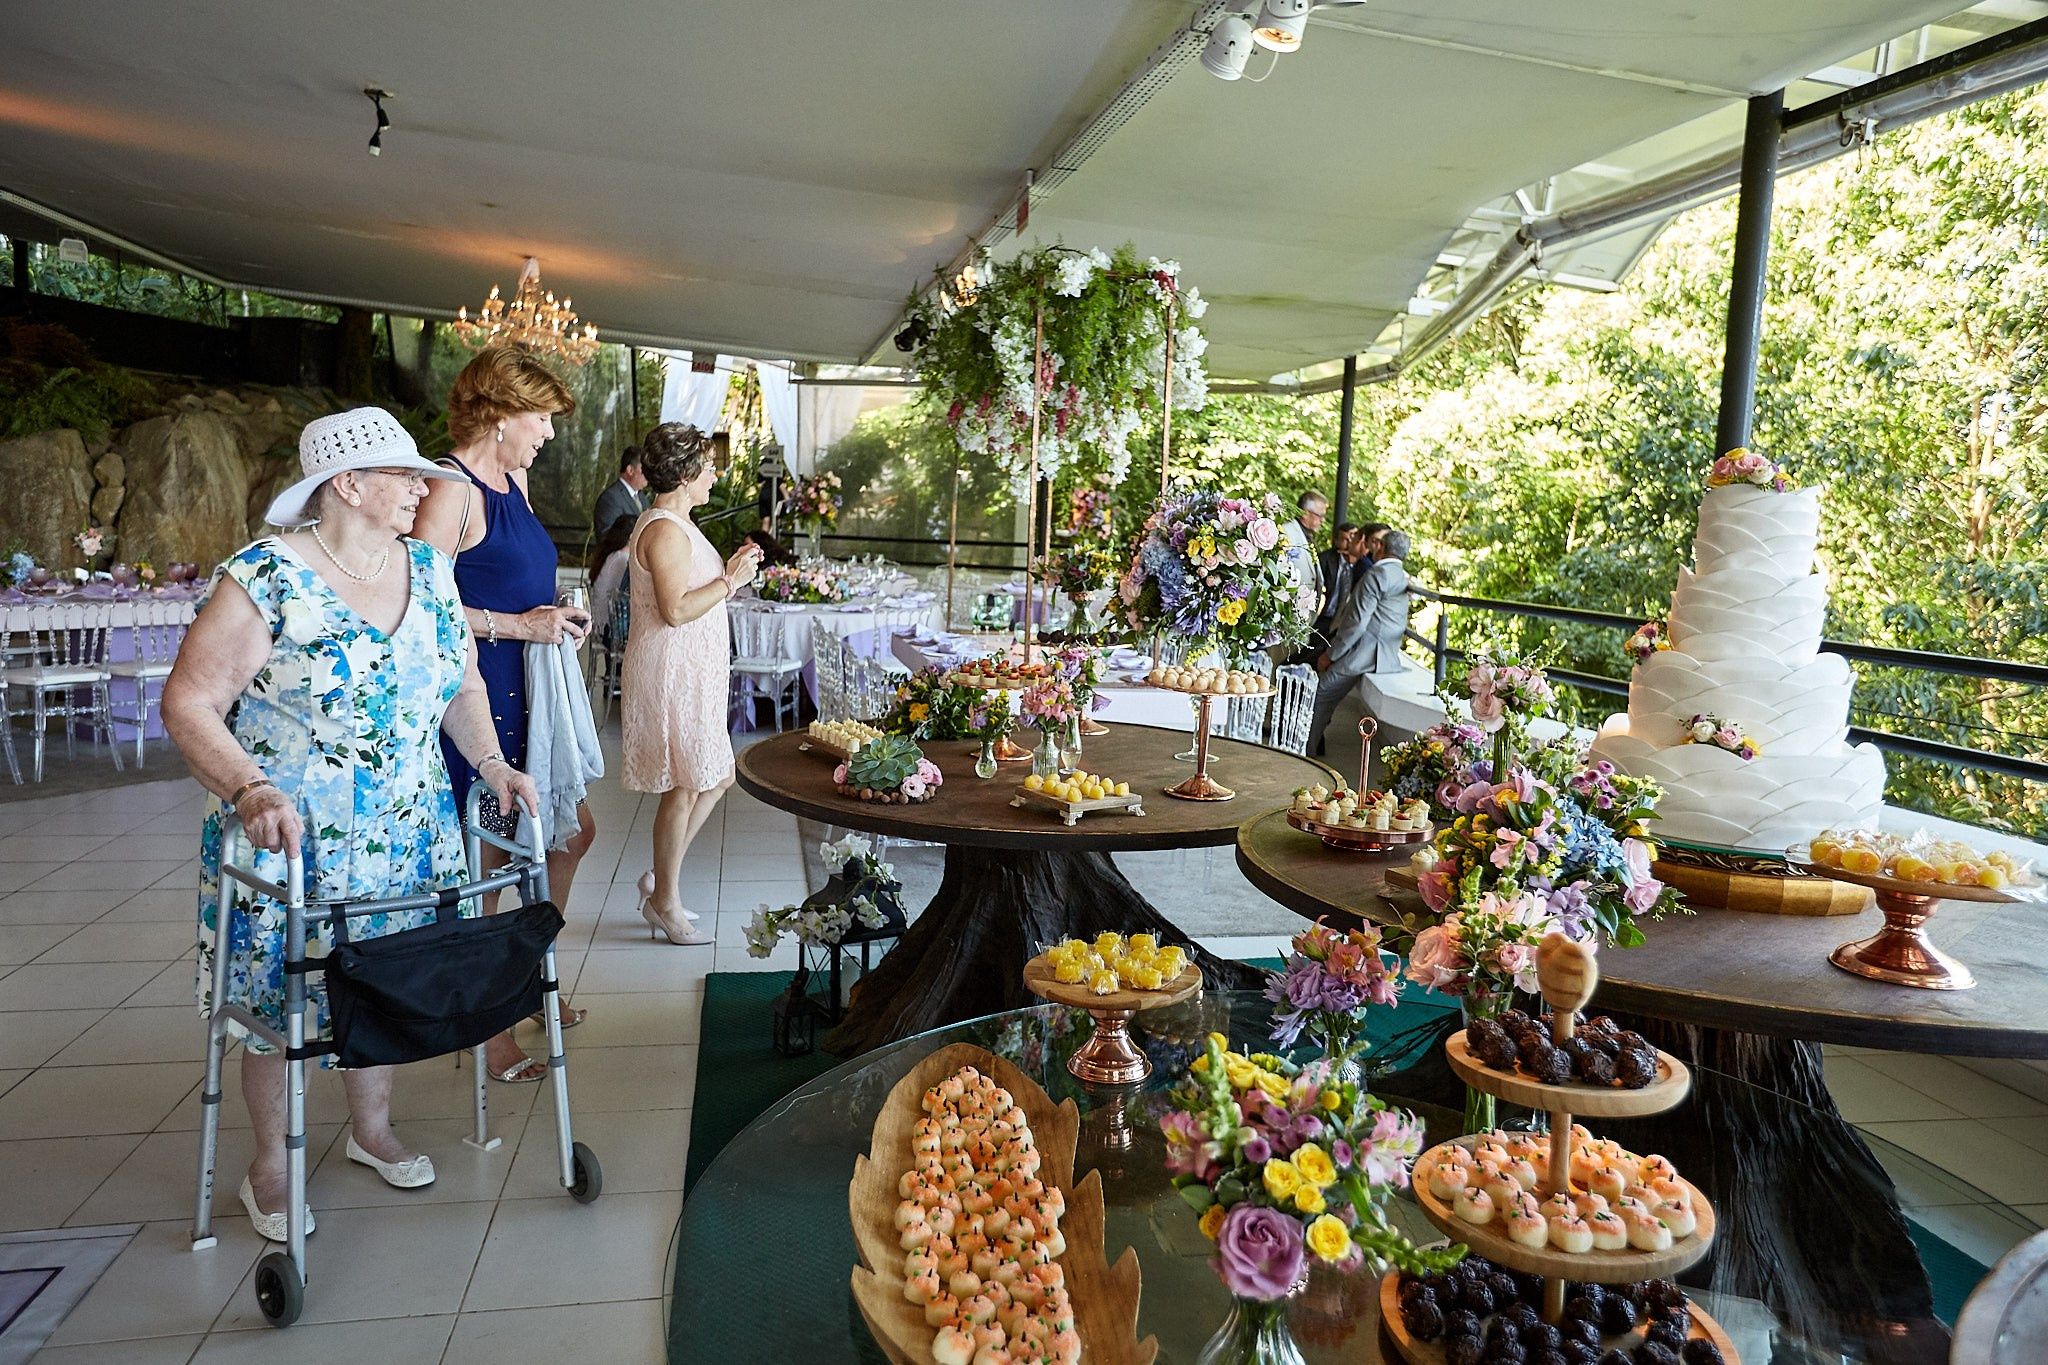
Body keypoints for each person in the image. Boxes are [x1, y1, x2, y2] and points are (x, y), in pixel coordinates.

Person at [163, 407, 539, 1239]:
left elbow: (461, 687)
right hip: (290, 835)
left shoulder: (432, 573)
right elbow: (190, 701)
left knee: (389, 980)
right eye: (406, 475)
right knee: (283, 1003)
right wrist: (249, 788)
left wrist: (491, 763)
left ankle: (371, 1131)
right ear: (348, 484)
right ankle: (270, 1166)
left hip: (410, 831)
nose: (422, 487)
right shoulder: (265, 578)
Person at [413, 345, 593, 1083]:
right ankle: (493, 1031)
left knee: (571, 833)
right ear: (498, 418)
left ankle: (525, 981)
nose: (548, 434)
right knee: (487, 862)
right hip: (477, 693)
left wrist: (552, 618)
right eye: (540, 418)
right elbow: (422, 607)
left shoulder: (511, 479)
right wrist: (522, 627)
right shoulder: (449, 490)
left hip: (528, 689)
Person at [622, 423, 763, 944]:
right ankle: (665, 902)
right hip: (670, 672)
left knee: (716, 775)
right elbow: (676, 609)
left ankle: (662, 878)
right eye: (707, 468)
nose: (714, 477)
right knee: (685, 784)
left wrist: (729, 570)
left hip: (693, 671)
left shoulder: (679, 523)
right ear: (683, 475)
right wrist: (730, 582)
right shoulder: (664, 529)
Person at [1308, 528, 1413, 756]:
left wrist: (1331, 655)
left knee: (1319, 695)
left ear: (1381, 548)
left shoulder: (1378, 574)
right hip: (1384, 653)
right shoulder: (1400, 575)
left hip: (1366, 653)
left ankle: (1304, 754)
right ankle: (1312, 747)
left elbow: (1356, 623)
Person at [592, 444, 648, 557]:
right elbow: (607, 538)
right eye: (644, 470)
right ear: (630, 470)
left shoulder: (642, 498)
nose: (648, 475)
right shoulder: (610, 498)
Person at [588, 512, 638, 634]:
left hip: (599, 624)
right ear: (632, 536)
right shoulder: (623, 559)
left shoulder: (612, 555)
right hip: (611, 629)